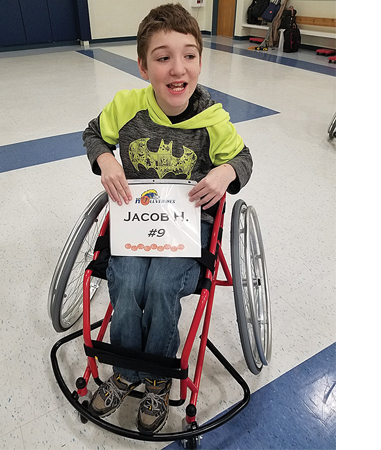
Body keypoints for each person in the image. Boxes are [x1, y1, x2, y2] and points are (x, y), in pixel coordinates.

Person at [81, 3, 253, 435]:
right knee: (126, 280)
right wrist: (104, 157)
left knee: (159, 285)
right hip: (137, 223)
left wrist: (225, 171)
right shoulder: (127, 106)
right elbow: (93, 132)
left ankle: (156, 375)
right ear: (143, 66)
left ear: (199, 60)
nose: (178, 69)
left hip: (186, 228)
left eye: (189, 55)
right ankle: (124, 370)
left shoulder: (212, 119)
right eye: (163, 57)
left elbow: (244, 157)